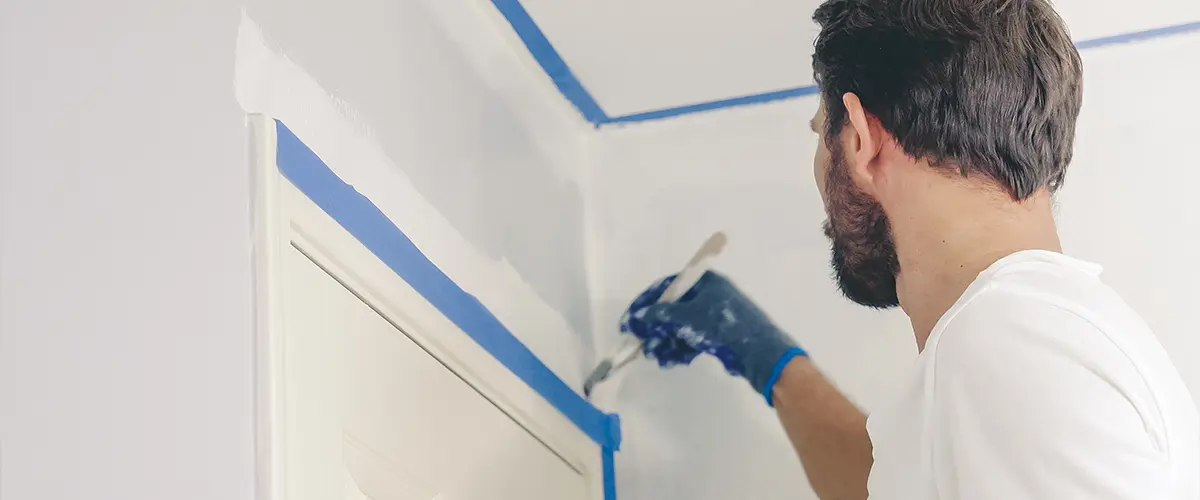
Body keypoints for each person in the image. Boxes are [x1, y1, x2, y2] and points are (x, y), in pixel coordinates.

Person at [618, 0, 1200, 498]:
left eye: (825, 133)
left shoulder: (1006, 344)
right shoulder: (1025, 343)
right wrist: (766, 358)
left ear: (864, 141)